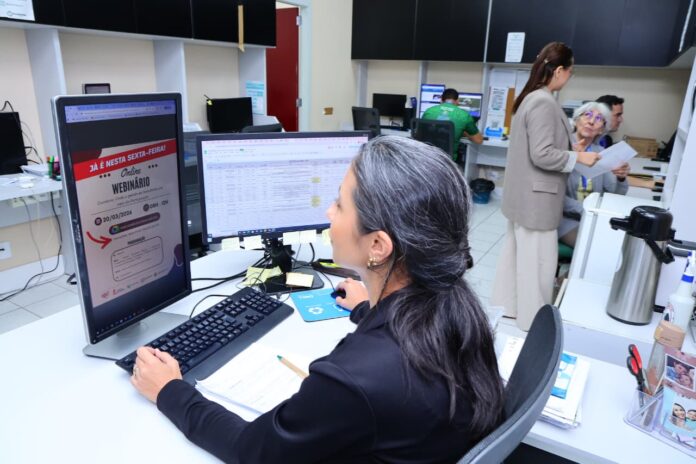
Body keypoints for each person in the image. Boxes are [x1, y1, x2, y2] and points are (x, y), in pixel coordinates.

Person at [130, 136, 505, 463]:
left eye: (339, 204)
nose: (328, 212)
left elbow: (252, 451)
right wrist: (367, 308)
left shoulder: (352, 379)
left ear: (378, 245)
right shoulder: (458, 303)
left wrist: (170, 391)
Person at [490, 42, 601, 331]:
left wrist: (570, 148)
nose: (570, 76)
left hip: (524, 197)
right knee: (538, 265)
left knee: (516, 260)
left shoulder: (532, 97)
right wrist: (578, 157)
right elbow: (541, 154)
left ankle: (509, 310)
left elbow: (539, 148)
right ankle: (533, 322)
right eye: (571, 71)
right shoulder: (543, 101)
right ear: (560, 70)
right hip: (537, 200)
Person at [558, 101, 630, 247]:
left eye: (598, 119)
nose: (591, 121)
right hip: (564, 218)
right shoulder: (561, 147)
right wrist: (587, 210)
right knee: (594, 246)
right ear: (576, 120)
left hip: (592, 216)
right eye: (587, 115)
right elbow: (555, 195)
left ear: (602, 129)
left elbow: (614, 195)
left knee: (618, 244)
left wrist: (621, 178)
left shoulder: (601, 153)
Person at [422, 88, 483, 161]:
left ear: (441, 100)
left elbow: (423, 132)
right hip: (447, 161)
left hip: (427, 158)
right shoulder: (464, 115)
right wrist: (462, 131)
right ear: (457, 101)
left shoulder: (429, 111)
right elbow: (478, 140)